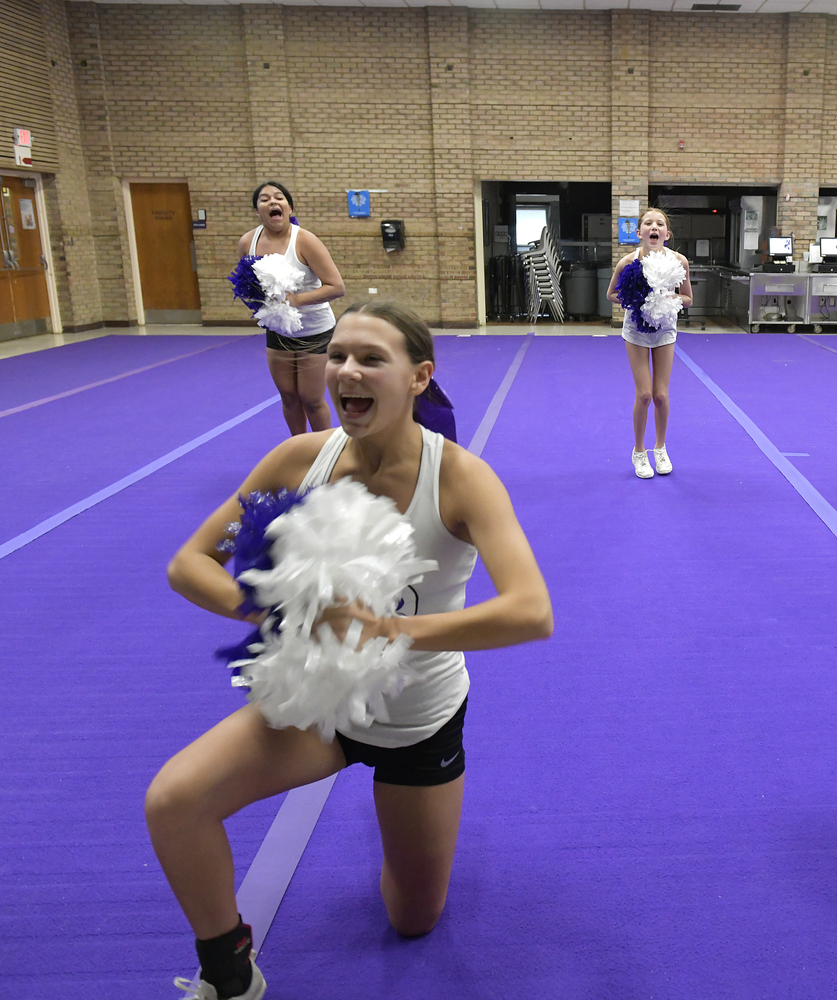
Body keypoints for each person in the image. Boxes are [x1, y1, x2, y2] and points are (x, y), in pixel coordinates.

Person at [147, 302, 553, 999]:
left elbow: (531, 611)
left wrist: (390, 630)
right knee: (175, 800)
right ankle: (228, 968)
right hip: (317, 706)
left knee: (413, 918)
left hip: (415, 720)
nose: (346, 371)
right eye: (337, 356)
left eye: (371, 358)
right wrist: (276, 604)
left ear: (419, 376)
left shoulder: (458, 477)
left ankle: (410, 844)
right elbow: (189, 562)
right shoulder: (300, 458)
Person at [238, 181, 347, 436]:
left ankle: (324, 453)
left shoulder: (306, 241)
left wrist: (296, 300)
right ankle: (299, 450)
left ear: (289, 207)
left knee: (311, 398)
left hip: (314, 331)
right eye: (265, 199)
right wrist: (256, 304)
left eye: (279, 198)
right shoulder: (247, 242)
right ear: (257, 210)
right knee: (288, 396)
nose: (273, 202)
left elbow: (336, 287)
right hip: (278, 331)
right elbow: (245, 283)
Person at [606, 208, 692, 479]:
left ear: (666, 234)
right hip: (636, 330)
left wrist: (669, 301)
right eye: (647, 223)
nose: (653, 227)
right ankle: (639, 451)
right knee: (644, 395)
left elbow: (688, 298)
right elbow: (611, 294)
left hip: (665, 329)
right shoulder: (627, 263)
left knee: (661, 395)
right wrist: (635, 299)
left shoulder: (679, 261)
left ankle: (660, 447)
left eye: (659, 224)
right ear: (639, 232)